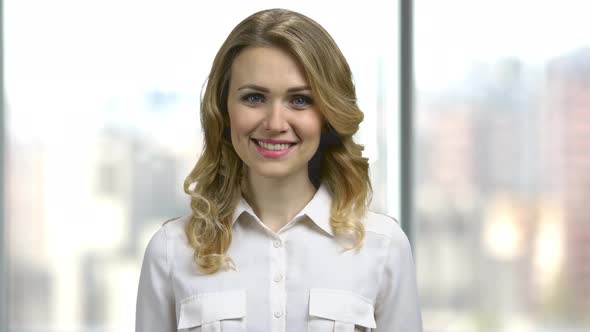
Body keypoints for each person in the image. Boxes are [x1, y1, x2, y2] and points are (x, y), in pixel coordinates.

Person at [135, 8, 423, 332]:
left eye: (299, 100)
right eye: (254, 97)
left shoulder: (382, 247)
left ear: (327, 113)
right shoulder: (170, 251)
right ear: (223, 110)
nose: (274, 123)